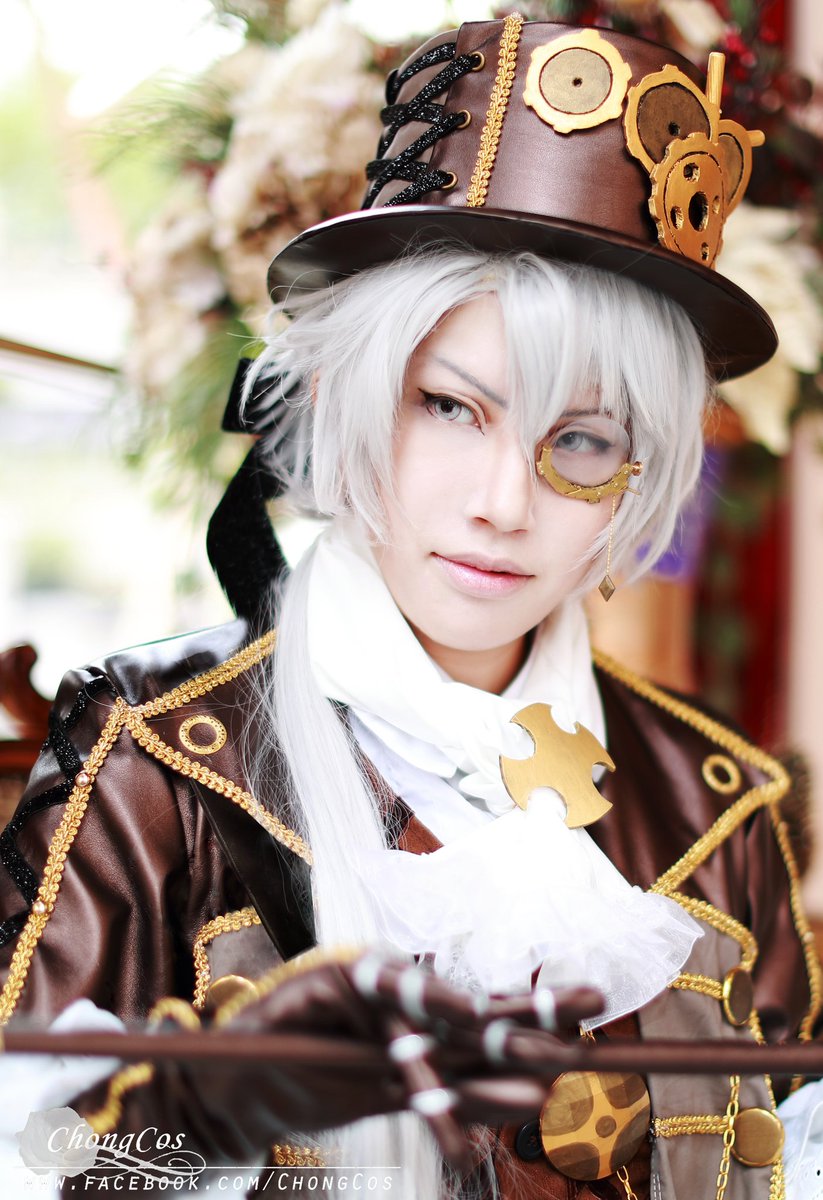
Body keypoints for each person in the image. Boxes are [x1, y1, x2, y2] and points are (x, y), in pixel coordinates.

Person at [0, 15, 818, 1200]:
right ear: (345, 398)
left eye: (583, 441)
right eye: (449, 407)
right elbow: (32, 1157)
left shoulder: (718, 801)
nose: (504, 504)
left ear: (642, 475)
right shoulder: (153, 763)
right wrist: (207, 1108)